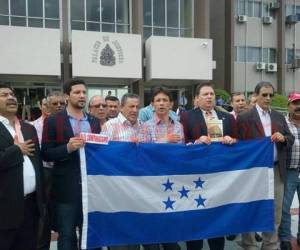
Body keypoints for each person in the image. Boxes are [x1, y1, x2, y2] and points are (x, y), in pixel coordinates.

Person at [42, 78, 101, 250]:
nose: (82, 95)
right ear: (67, 95)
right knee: (66, 233)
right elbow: (45, 153)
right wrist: (67, 148)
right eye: (77, 92)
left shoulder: (94, 121)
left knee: (89, 231)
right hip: (65, 188)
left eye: (84, 92)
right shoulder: (53, 120)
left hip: (91, 188)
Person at [237, 81, 294, 250]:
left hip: (276, 170)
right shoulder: (244, 118)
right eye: (264, 95)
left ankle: (270, 245)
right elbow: (239, 145)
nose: (268, 98)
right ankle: (250, 245)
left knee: (275, 211)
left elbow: (290, 139)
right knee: (250, 208)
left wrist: (283, 138)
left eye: (270, 95)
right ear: (256, 96)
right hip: (252, 172)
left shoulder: (278, 116)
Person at [180, 82, 237, 250]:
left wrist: (232, 140)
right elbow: (182, 144)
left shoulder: (227, 116)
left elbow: (237, 140)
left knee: (217, 216)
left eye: (212, 94)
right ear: (197, 98)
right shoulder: (186, 117)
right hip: (195, 175)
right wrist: (196, 142)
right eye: (205, 94)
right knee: (195, 218)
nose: (210, 97)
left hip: (219, 176)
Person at [0, 83, 44, 250]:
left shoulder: (28, 128)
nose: (11, 97)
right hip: (5, 209)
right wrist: (16, 150)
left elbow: (37, 163)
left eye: (12, 94)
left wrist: (41, 202)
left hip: (31, 207)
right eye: (4, 95)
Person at [142, 86, 183, 250]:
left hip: (172, 179)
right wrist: (165, 140)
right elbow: (144, 153)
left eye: (165, 100)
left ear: (171, 104)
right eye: (158, 100)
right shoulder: (144, 126)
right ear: (152, 104)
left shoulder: (179, 126)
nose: (161, 104)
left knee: (169, 220)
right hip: (152, 180)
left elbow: (182, 152)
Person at [101, 93, 142, 250]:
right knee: (118, 235)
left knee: (134, 234)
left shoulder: (143, 126)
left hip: (138, 188)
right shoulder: (109, 126)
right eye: (131, 106)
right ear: (122, 107)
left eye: (137, 106)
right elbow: (102, 156)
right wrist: (125, 150)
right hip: (117, 188)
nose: (134, 110)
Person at [278, 92, 300, 250]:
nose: (298, 107)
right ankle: (285, 238)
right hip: (289, 171)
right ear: (289, 105)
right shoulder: (282, 123)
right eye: (295, 103)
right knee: (284, 208)